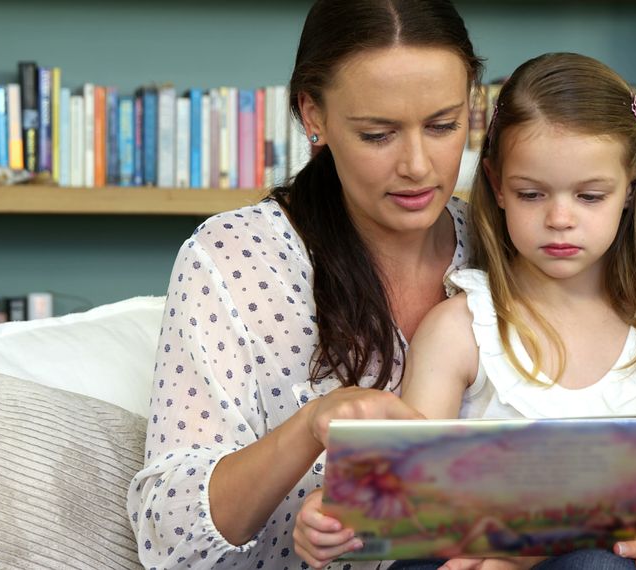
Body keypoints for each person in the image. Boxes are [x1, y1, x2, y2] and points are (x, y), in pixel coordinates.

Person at [126, 1, 483, 568]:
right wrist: (310, 427)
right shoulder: (232, 258)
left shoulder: (507, 247)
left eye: (444, 125)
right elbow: (173, 542)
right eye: (377, 134)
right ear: (312, 115)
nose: (418, 164)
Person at [394, 53, 636, 570]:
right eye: (531, 194)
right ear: (498, 187)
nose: (560, 219)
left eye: (591, 196)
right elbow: (409, 507)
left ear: (631, 191)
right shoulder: (462, 329)